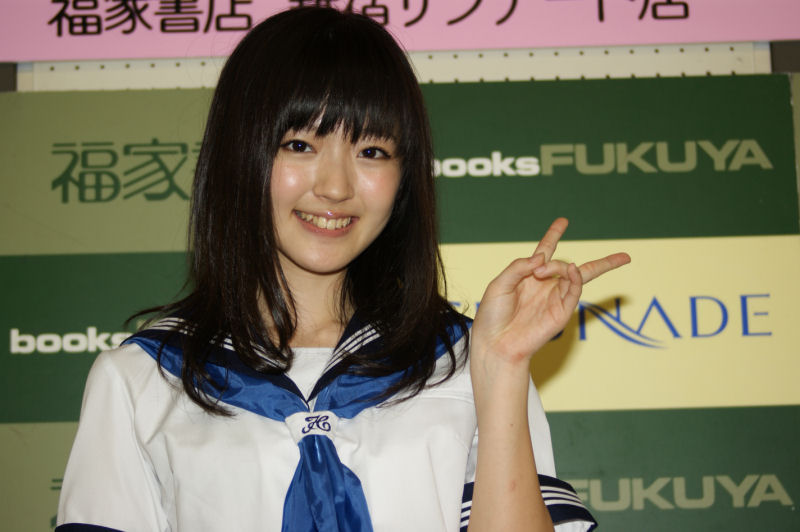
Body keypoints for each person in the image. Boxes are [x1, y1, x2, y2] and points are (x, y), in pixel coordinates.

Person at [56, 7, 629, 532]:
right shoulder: (142, 379)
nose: (335, 187)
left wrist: (501, 368)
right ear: (239, 153)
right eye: (299, 144)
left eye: (372, 152)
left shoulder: (466, 360)